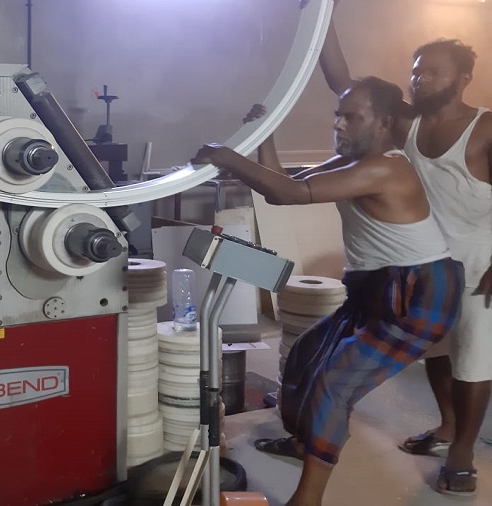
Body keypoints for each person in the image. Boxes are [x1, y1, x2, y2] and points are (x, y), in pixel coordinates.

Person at [192, 77, 464, 506]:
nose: (338, 124)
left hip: (418, 296)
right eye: (338, 115)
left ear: (384, 123)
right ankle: (305, 443)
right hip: (376, 290)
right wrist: (266, 135)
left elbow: (289, 192)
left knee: (333, 384)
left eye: (351, 117)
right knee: (304, 356)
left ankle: (309, 497)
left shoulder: (386, 168)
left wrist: (227, 156)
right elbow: (283, 187)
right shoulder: (351, 162)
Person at [320, 19, 492, 496]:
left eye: (434, 72)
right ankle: (447, 426)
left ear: (463, 78)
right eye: (417, 71)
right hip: (426, 264)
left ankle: (462, 453)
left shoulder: (485, 128)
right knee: (436, 350)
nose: (421, 79)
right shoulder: (406, 122)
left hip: (479, 264)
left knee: (473, 359)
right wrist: (325, 18)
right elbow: (343, 82)